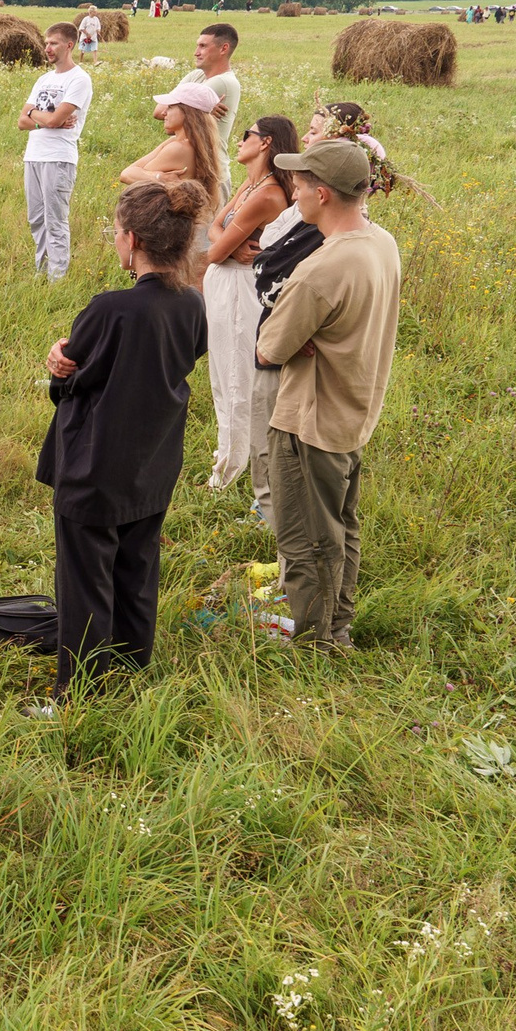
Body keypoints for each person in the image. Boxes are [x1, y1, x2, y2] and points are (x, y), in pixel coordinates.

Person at [35, 179, 209, 698]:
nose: (114, 240)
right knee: (137, 568)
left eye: (115, 232)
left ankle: (81, 694)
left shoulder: (110, 308)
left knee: (85, 581)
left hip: (94, 466)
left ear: (132, 241)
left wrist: (58, 366)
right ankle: (132, 671)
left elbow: (71, 378)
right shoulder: (192, 305)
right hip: (153, 461)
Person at [256, 138, 401, 649]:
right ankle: (338, 624)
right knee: (341, 526)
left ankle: (316, 643)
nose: (292, 191)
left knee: (306, 540)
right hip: (353, 411)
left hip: (309, 421)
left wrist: (298, 340)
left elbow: (269, 349)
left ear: (321, 193)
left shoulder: (320, 269)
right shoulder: (381, 242)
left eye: (298, 183)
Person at [201, 115, 300, 492]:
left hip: (241, 290)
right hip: (226, 284)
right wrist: (223, 239)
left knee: (236, 376)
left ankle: (230, 470)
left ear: (266, 143)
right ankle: (226, 456)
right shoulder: (251, 184)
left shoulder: (267, 193)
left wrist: (224, 241)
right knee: (222, 375)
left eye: (248, 135)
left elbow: (214, 251)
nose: (240, 140)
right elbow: (215, 226)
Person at [16, 22, 93, 280]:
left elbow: (50, 119)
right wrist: (44, 118)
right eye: (47, 43)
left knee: (55, 221)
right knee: (36, 219)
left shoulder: (79, 79)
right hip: (34, 155)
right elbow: (21, 121)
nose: (47, 48)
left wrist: (39, 117)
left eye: (53, 43)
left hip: (59, 158)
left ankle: (56, 279)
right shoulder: (43, 79)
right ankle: (42, 271)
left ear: (69, 45)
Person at [117, 80, 226, 246]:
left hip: (167, 234)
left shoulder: (178, 148)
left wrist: (151, 177)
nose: (164, 113)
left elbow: (127, 175)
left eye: (170, 107)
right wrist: (160, 176)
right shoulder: (191, 144)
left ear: (187, 112)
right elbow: (128, 172)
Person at [192, 24, 242, 175]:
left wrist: (185, 107)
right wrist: (195, 107)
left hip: (211, 171)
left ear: (223, 49)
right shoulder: (196, 75)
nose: (196, 53)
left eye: (203, 46)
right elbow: (160, 110)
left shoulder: (223, 82)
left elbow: (174, 114)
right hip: (198, 166)